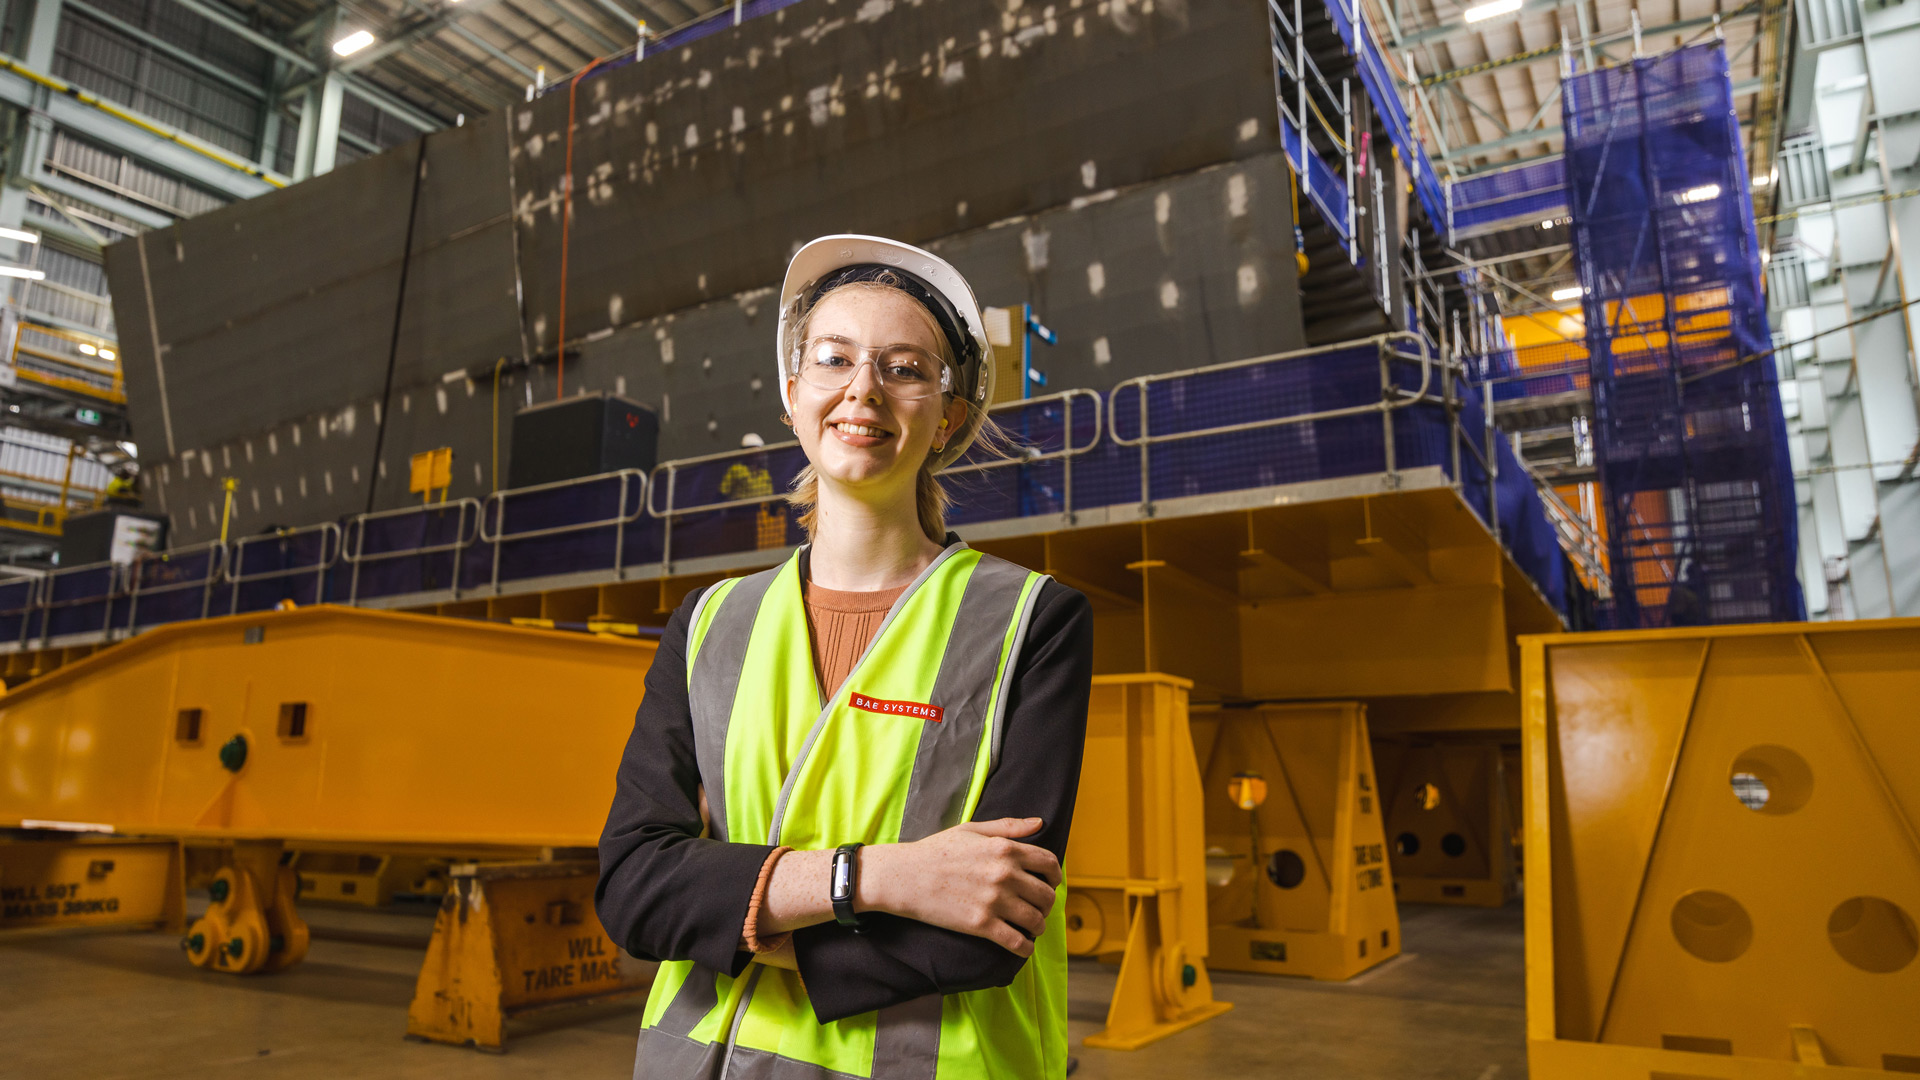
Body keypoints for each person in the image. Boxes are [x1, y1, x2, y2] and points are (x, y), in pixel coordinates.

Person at [597, 235, 1092, 1079]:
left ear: (948, 416)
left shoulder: (1031, 622)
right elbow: (634, 887)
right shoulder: (708, 624)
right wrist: (877, 879)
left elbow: (992, 929)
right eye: (834, 359)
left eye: (904, 368)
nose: (863, 388)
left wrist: (734, 912)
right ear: (794, 396)